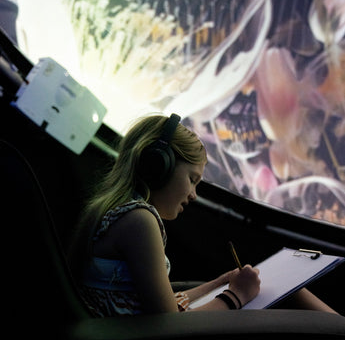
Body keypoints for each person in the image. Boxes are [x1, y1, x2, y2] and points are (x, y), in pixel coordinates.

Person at [70, 113, 337, 316]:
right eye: (192, 179)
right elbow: (170, 326)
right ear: (157, 167)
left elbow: (163, 304)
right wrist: (236, 297)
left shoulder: (113, 211)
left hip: (136, 337)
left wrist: (219, 283)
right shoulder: (140, 221)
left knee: (285, 290)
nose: (194, 195)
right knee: (292, 294)